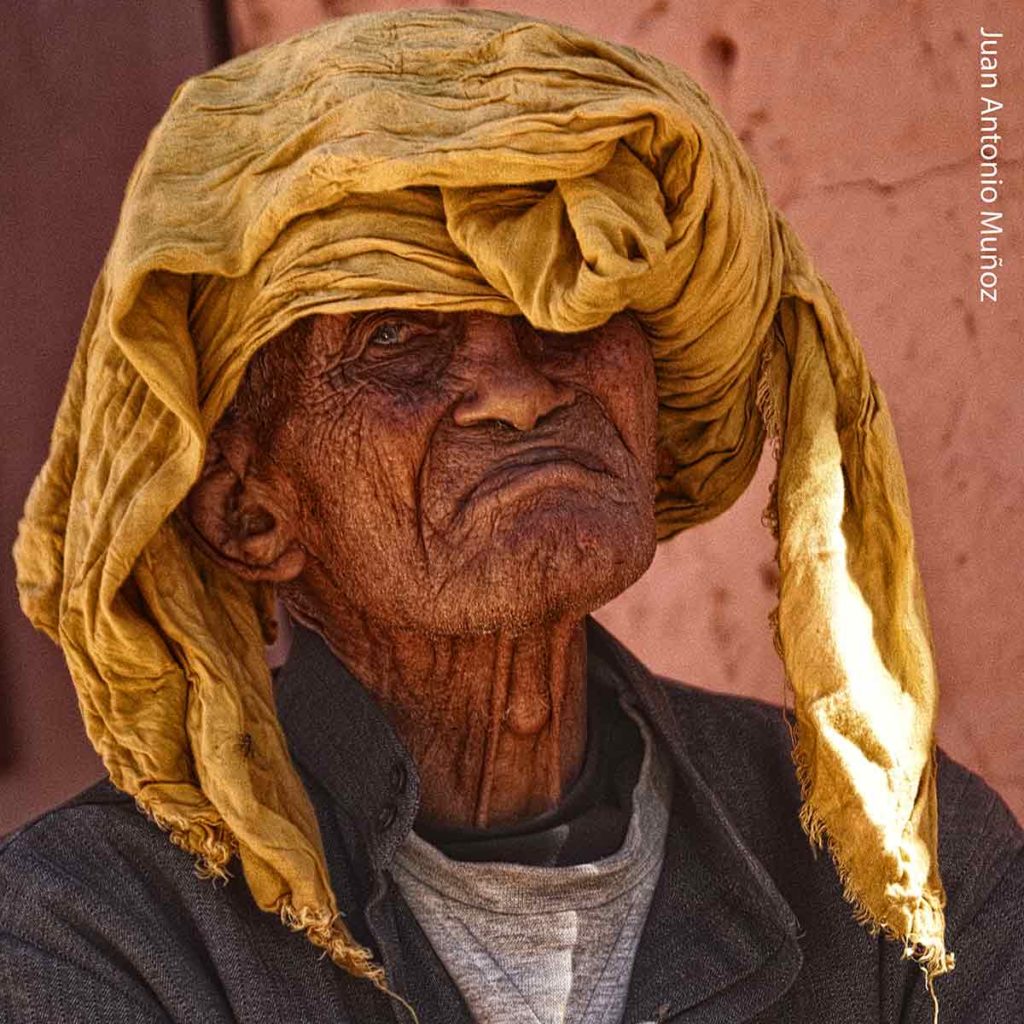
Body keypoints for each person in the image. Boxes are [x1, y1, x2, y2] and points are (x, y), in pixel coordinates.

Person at [1, 10, 1020, 1023]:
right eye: (397, 334)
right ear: (248, 513)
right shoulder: (94, 930)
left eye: (569, 306)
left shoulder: (898, 861)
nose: (521, 391)